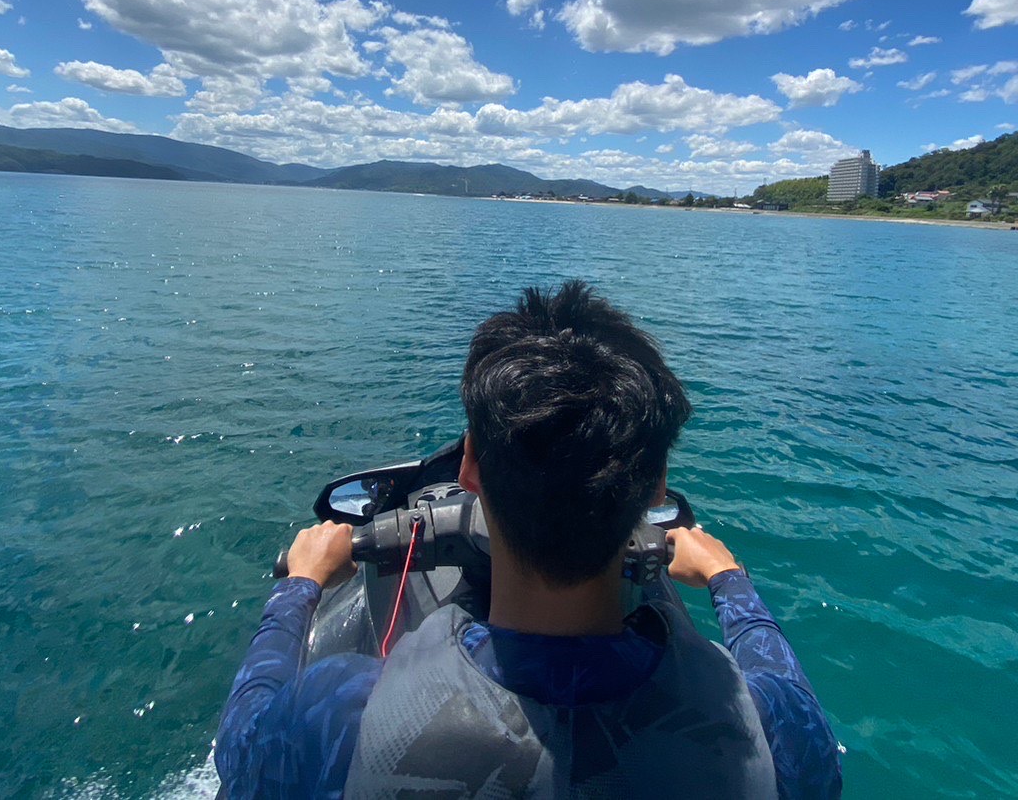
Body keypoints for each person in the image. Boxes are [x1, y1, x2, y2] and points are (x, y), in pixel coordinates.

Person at [216, 281, 841, 799]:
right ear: (657, 487)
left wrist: (300, 586)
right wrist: (730, 583)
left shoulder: (344, 713)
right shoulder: (759, 724)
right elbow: (801, 726)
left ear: (469, 468)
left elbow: (241, 750)